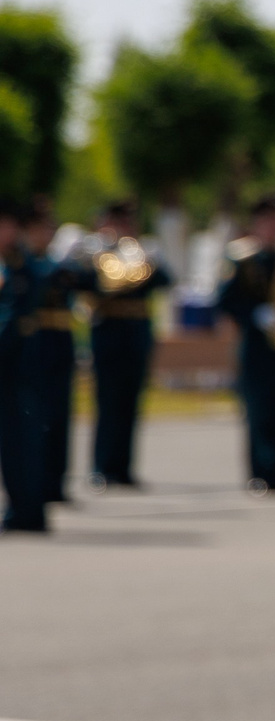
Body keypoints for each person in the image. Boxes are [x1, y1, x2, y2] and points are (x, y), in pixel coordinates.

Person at [217, 194, 275, 494]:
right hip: (254, 345)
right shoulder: (243, 258)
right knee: (257, 409)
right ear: (256, 225)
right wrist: (253, 314)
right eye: (268, 221)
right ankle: (259, 472)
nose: (274, 227)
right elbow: (224, 300)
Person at [82, 200, 168, 486]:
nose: (124, 228)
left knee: (131, 402)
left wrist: (149, 262)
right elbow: (89, 285)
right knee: (107, 401)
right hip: (108, 331)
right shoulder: (97, 253)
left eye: (128, 222)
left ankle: (124, 468)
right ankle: (102, 466)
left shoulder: (141, 252)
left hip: (136, 333)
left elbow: (165, 280)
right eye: (118, 222)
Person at [17, 199, 80, 509]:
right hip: (33, 342)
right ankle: (35, 483)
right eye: (42, 228)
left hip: (60, 341)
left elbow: (89, 283)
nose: (47, 233)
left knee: (59, 416)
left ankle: (56, 481)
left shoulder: (60, 264)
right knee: (33, 417)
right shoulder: (23, 263)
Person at [0, 203, 44, 533]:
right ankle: (20, 506)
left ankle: (28, 511)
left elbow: (14, 318)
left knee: (21, 441)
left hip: (17, 366)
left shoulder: (21, 266)